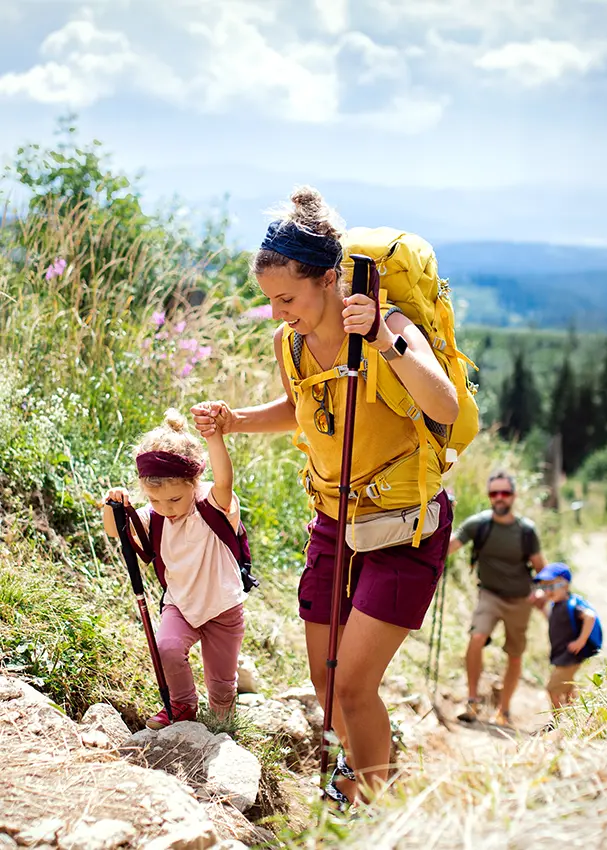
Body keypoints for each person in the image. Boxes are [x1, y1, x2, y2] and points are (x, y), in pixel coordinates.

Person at [192, 186, 458, 805]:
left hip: (403, 527)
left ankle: (374, 806)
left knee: (355, 686)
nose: (280, 311)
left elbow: (442, 402)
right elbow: (302, 408)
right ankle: (361, 780)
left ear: (330, 278)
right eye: (271, 301)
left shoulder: (388, 326)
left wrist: (387, 344)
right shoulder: (291, 342)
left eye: (287, 297)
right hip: (333, 521)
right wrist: (235, 420)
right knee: (326, 680)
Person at [102, 408, 245, 729]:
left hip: (223, 606)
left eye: (175, 500)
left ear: (194, 483)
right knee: (167, 647)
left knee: (221, 682)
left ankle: (223, 721)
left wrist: (214, 436)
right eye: (155, 500)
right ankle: (182, 705)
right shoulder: (154, 517)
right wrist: (111, 505)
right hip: (180, 602)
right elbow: (115, 530)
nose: (166, 509)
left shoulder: (212, 504)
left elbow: (224, 478)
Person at [447, 471, 545, 726]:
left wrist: (543, 593)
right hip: (489, 594)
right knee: (476, 637)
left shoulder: (526, 531)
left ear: (514, 496)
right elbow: (449, 546)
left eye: (505, 493)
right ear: (489, 496)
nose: (499, 498)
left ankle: (504, 709)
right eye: (494, 493)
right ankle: (472, 702)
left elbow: (541, 568)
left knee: (514, 654)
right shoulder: (478, 524)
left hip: (520, 600)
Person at [532, 563, 598, 711]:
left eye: (551, 586)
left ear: (565, 585)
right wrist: (542, 609)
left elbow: (590, 617)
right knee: (568, 688)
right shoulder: (557, 606)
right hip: (562, 654)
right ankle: (573, 713)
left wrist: (581, 641)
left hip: (570, 656)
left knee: (552, 689)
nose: (547, 592)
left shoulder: (572, 605)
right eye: (544, 588)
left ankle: (558, 719)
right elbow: (554, 622)